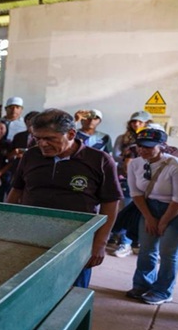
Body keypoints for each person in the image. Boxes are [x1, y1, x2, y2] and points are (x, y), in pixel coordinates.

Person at [7, 109, 122, 288]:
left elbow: (111, 203)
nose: (42, 144)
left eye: (50, 138)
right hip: (31, 236)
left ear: (71, 134)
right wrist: (7, 225)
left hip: (76, 241)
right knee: (30, 287)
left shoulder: (99, 160)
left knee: (71, 291)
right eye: (37, 138)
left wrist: (100, 243)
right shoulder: (31, 155)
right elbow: (16, 191)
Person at [125, 128, 178, 305]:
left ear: (163, 146)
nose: (143, 150)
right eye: (139, 146)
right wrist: (150, 218)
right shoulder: (136, 164)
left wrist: (163, 222)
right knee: (146, 248)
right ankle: (142, 285)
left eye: (149, 147)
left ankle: (163, 291)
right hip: (151, 206)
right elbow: (136, 193)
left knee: (168, 251)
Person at [109, 111, 152, 257]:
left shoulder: (152, 137)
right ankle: (124, 242)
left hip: (147, 179)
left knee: (140, 210)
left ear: (147, 123)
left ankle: (134, 241)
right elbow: (115, 155)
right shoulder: (124, 138)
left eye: (140, 122)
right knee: (126, 208)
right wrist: (128, 157)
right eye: (134, 121)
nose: (136, 124)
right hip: (125, 176)